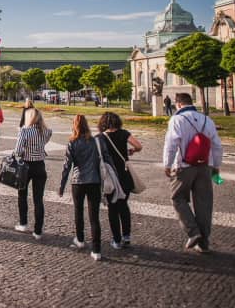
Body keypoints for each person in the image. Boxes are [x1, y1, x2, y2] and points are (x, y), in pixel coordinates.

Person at [163, 92, 223, 253]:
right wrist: (216, 166)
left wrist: (167, 164)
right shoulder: (207, 120)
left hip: (184, 166)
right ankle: (204, 243)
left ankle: (193, 231)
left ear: (178, 104)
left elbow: (171, 144)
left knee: (177, 198)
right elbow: (217, 145)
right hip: (205, 166)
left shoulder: (177, 119)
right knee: (204, 203)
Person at [58, 115, 115, 261]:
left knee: (78, 211)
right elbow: (107, 158)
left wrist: (62, 185)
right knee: (94, 216)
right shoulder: (97, 141)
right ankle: (96, 250)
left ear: (74, 126)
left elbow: (67, 166)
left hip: (78, 181)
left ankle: (80, 239)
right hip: (94, 181)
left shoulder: (72, 142)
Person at [98, 112, 143, 249]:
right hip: (124, 175)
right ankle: (127, 236)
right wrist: (131, 151)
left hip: (110, 177)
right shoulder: (124, 133)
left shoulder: (100, 138)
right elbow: (139, 146)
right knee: (123, 206)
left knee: (113, 208)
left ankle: (116, 240)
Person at [13, 104, 52, 239]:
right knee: (38, 199)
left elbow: (18, 151)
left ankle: (23, 223)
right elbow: (45, 142)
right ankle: (38, 230)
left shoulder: (24, 131)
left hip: (26, 166)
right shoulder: (46, 131)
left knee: (22, 195)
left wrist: (25, 151)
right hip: (40, 166)